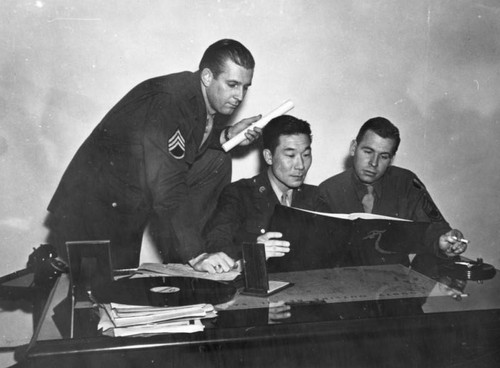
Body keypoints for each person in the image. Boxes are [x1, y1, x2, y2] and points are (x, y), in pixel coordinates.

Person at [46, 39, 262, 269]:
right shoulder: (170, 102)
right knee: (100, 297)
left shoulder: (191, 97)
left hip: (123, 205)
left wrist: (227, 135)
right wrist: (196, 255)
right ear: (208, 77)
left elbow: (184, 140)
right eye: (232, 84)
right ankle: (48, 265)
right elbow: (167, 182)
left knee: (217, 160)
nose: (239, 95)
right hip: (90, 210)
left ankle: (192, 251)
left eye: (245, 87)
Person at [318, 117, 468, 265]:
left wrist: (445, 242)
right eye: (368, 151)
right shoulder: (328, 191)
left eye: (383, 156)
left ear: (391, 159)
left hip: (396, 281)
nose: (374, 163)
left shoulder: (407, 183)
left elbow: (435, 228)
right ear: (353, 148)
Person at [194, 115, 320, 273]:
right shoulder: (239, 193)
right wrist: (254, 250)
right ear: (268, 156)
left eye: (306, 155)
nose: (300, 165)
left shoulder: (316, 196)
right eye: (290, 155)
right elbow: (214, 244)